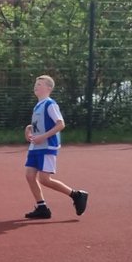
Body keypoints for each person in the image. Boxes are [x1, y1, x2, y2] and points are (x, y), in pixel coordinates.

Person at [23, 75, 89, 219]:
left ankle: (77, 195)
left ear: (49, 88)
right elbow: (37, 126)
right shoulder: (38, 106)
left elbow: (60, 124)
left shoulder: (50, 104)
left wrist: (43, 137)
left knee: (44, 179)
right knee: (29, 176)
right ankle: (42, 208)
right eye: (36, 84)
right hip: (35, 147)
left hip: (47, 147)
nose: (36, 86)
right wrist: (28, 129)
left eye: (40, 84)